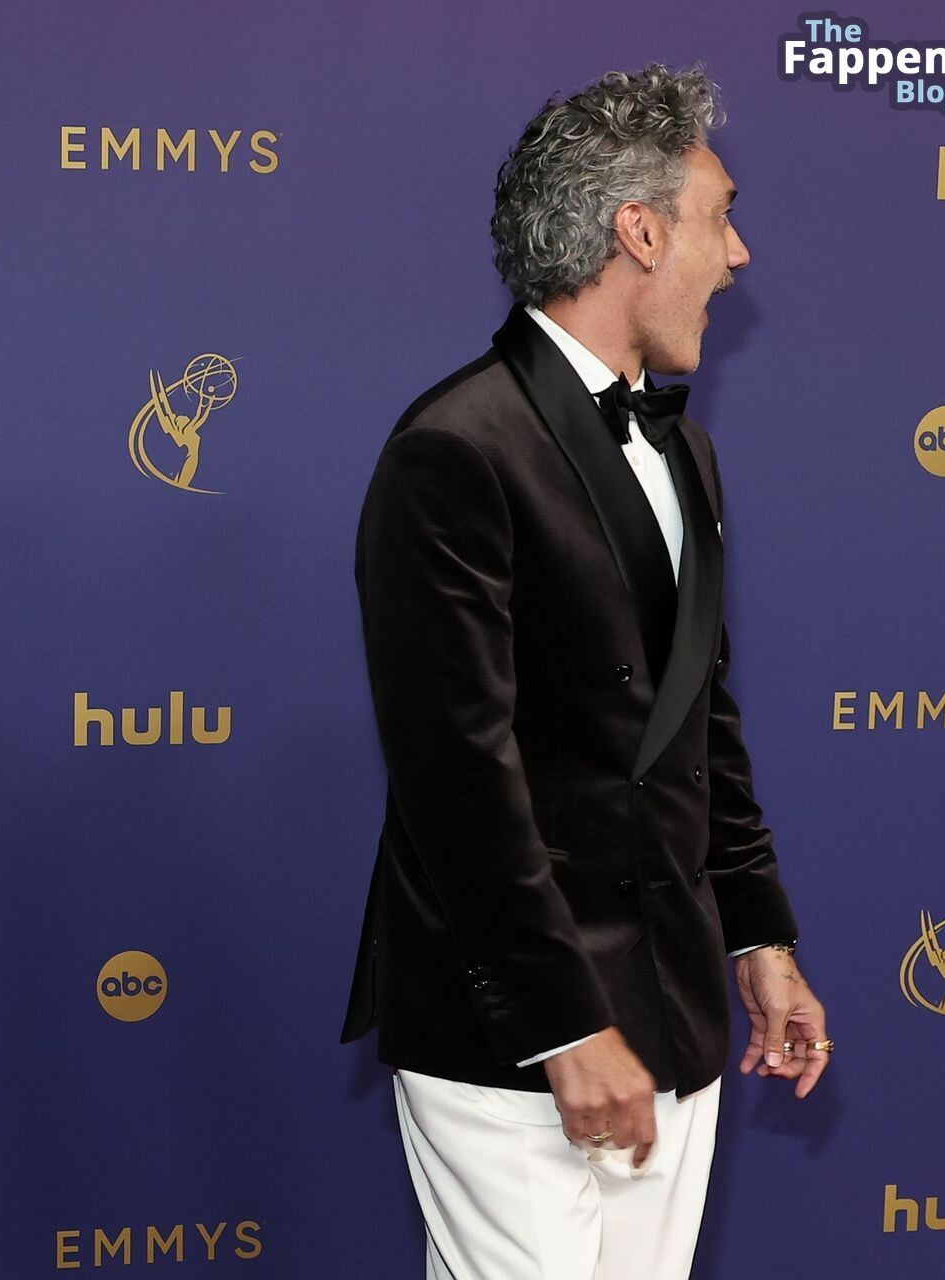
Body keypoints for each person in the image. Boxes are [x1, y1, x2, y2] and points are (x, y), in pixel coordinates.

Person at [340, 66, 829, 1280]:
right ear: (640, 231)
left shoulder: (687, 451)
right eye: (721, 218)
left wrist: (759, 935)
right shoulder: (455, 449)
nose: (739, 255)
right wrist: (564, 1021)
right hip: (511, 1029)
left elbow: (700, 722)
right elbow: (457, 772)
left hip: (675, 1006)